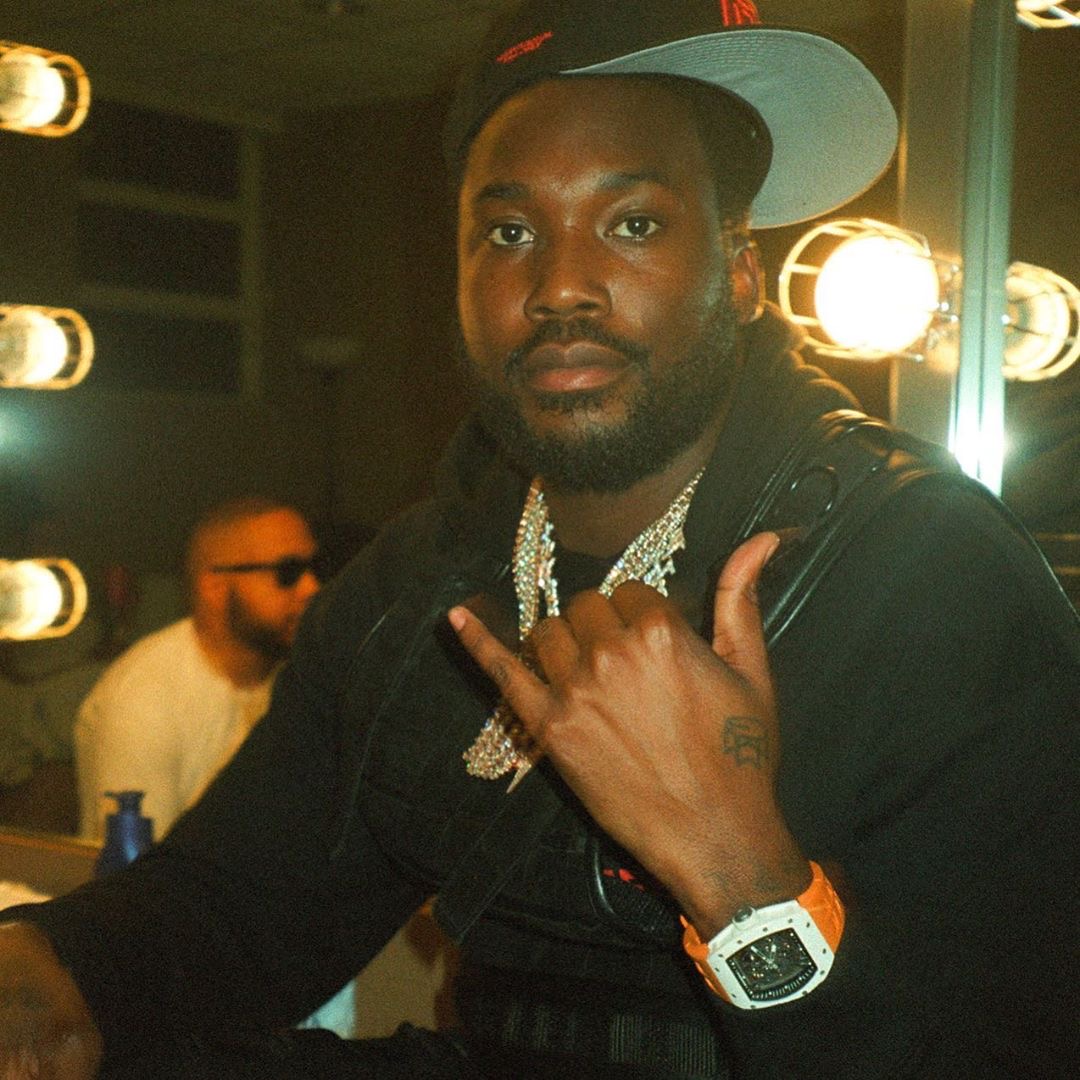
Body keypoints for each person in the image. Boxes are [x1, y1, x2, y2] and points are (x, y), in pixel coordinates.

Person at [0, 2, 1078, 1078]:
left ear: (742, 272)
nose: (559, 286)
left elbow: (1014, 1045)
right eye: (510, 233)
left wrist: (741, 876)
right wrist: (54, 967)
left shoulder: (924, 573)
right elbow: (238, 912)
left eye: (633, 224)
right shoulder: (415, 586)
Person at [73, 496, 322, 842]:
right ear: (214, 585)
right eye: (288, 572)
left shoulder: (307, 678)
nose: (312, 587)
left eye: (314, 567)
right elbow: (140, 867)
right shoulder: (144, 701)